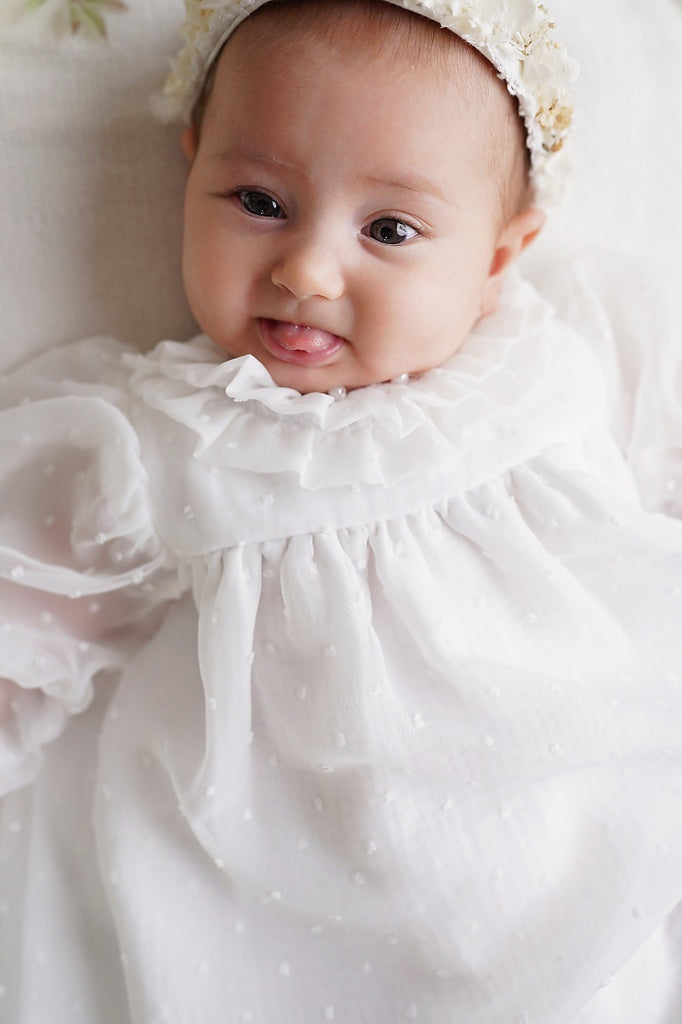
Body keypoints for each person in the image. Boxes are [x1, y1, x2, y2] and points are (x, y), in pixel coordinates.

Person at [1, 1, 681, 1021]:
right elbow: (26, 619)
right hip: (276, 903)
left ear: (499, 256)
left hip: (570, 859)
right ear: (191, 170)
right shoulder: (162, 440)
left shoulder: (564, 359)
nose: (308, 270)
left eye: (390, 229)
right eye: (258, 200)